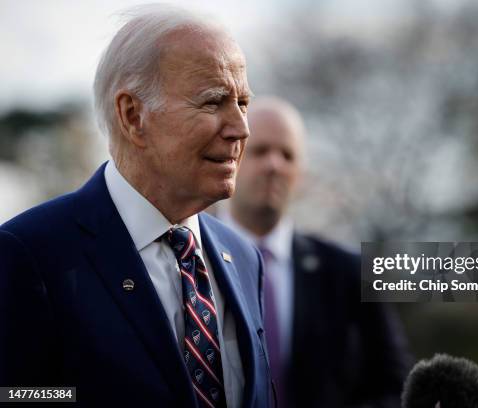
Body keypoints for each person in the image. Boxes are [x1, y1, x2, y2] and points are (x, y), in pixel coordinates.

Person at [0, 5, 271, 408]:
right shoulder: (30, 253)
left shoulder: (244, 258)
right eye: (214, 102)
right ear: (133, 115)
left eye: (243, 102)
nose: (240, 128)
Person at [218, 96, 411, 407]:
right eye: (260, 150)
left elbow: (395, 386)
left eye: (288, 155)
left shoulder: (348, 273)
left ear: (301, 173)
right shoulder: (188, 258)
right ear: (231, 157)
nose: (274, 165)